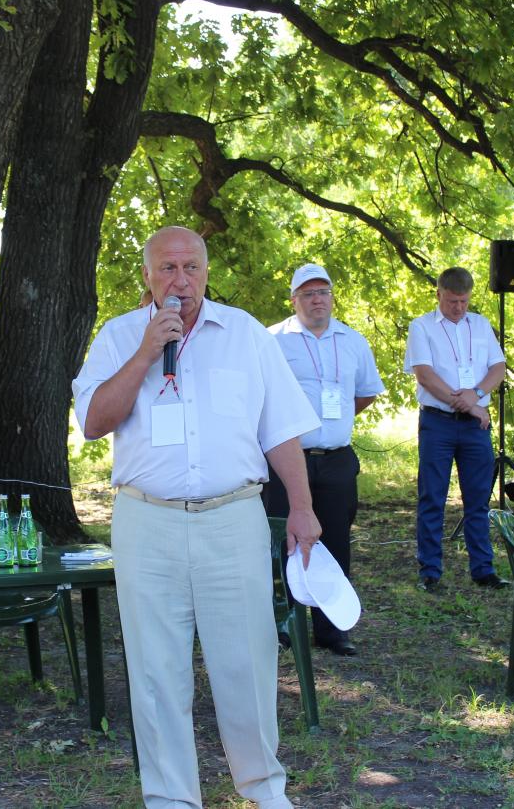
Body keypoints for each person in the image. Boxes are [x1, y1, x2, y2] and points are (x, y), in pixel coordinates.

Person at [73, 226, 321, 809]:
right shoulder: (117, 337)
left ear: (207, 272)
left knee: (248, 661)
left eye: (190, 268)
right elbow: (93, 421)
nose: (179, 281)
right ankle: (170, 798)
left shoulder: (247, 336)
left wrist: (303, 508)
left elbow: (280, 428)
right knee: (156, 670)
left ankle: (263, 789)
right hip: (147, 521)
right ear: (147, 276)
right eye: (167, 269)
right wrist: (143, 351)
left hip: (232, 517)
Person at [262, 263, 383, 656]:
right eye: (308, 293)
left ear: (332, 297)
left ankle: (332, 630)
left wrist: (334, 423)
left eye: (324, 292)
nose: (317, 300)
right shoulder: (273, 341)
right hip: (285, 460)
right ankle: (283, 624)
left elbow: (364, 393)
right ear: (294, 299)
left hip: (335, 459)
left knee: (335, 540)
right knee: (283, 540)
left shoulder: (352, 341)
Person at [404, 267, 508, 593]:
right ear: (439, 295)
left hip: (475, 426)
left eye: (464, 301)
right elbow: (424, 374)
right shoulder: (422, 327)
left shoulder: (480, 325)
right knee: (432, 496)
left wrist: (476, 396)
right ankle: (430, 571)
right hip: (438, 422)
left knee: (478, 499)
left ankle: (483, 569)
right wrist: (464, 402)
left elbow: (498, 367)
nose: (458, 308)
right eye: (452, 301)